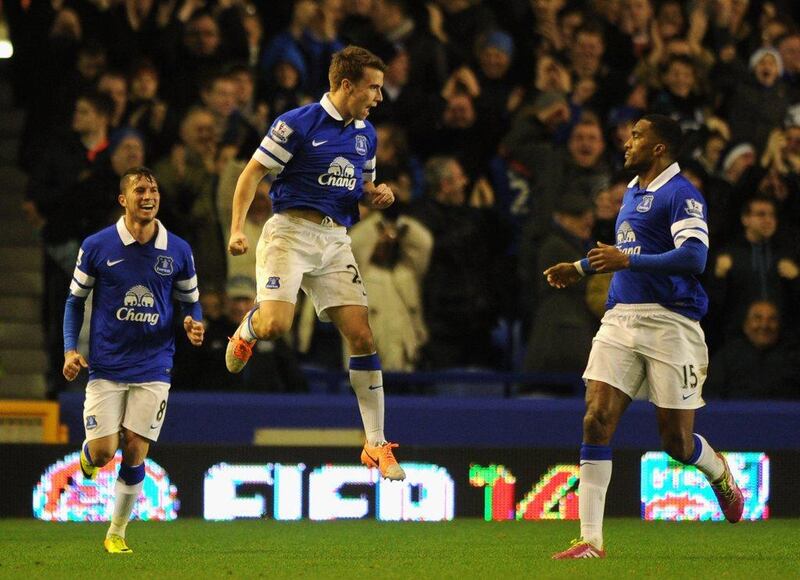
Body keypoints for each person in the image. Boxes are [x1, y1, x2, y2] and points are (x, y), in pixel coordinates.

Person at [544, 115, 744, 559]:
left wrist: (628, 263)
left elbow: (694, 257)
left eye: (637, 135)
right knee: (595, 419)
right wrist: (579, 269)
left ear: (659, 148)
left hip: (671, 322)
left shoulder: (682, 194)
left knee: (675, 443)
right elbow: (626, 252)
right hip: (621, 318)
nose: (627, 141)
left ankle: (719, 473)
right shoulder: (633, 191)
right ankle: (590, 541)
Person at [225, 46, 405, 480]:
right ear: (346, 85)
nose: (379, 98)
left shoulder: (367, 134)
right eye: (373, 88)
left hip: (334, 239)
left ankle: (376, 444)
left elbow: (361, 186)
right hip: (289, 233)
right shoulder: (297, 124)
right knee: (275, 327)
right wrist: (235, 229)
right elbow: (251, 174)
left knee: (362, 336)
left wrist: (377, 194)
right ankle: (249, 327)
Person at [62, 167, 205, 554]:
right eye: (140, 189)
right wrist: (70, 349)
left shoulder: (178, 249)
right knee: (105, 452)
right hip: (106, 366)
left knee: (136, 448)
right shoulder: (97, 246)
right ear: (123, 200)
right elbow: (75, 301)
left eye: (154, 189)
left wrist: (196, 323)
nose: (149, 195)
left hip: (155, 365)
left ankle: (116, 533)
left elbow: (190, 300)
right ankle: (90, 457)